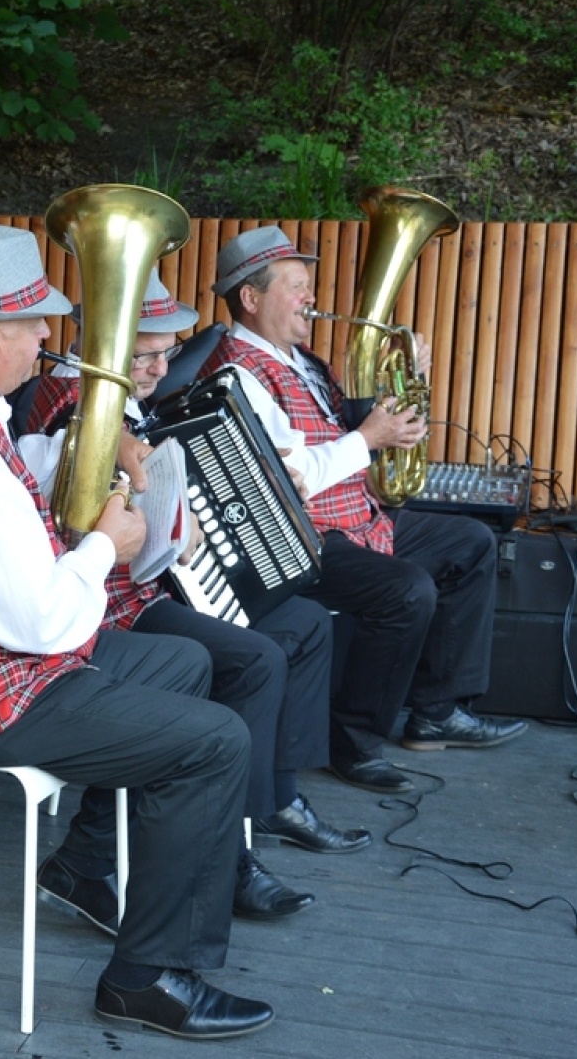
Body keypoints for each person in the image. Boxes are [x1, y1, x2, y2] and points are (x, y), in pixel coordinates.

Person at [0, 223, 272, 1040]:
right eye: (36, 320)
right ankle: (147, 976)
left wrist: (74, 458)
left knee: (181, 663)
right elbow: (40, 620)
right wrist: (111, 541)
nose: (49, 335)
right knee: (214, 741)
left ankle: (84, 863)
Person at [21, 270, 368, 929]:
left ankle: (265, 804)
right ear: (104, 344)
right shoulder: (69, 405)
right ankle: (228, 852)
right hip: (94, 608)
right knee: (249, 661)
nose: (158, 366)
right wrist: (160, 510)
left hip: (136, 590)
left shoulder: (114, 402)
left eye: (165, 352)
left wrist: (181, 522)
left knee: (296, 620)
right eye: (143, 353)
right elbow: (53, 461)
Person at [201, 227, 526, 795]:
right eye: (297, 287)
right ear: (250, 300)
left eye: (309, 286)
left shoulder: (302, 361)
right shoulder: (237, 374)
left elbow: (347, 428)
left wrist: (408, 386)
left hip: (356, 519)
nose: (311, 298)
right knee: (406, 591)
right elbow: (289, 478)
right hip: (299, 537)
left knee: (472, 542)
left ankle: (436, 711)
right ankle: (353, 741)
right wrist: (370, 437)